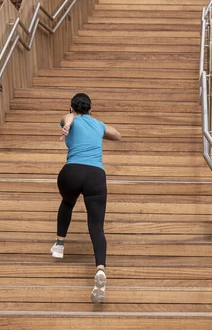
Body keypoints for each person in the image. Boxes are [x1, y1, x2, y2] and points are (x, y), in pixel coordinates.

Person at [50, 93, 122, 304]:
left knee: (68, 202)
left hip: (71, 173)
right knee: (96, 227)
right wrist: (99, 131)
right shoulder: (98, 124)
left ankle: (60, 244)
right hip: (95, 176)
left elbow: (69, 119)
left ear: (71, 108)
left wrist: (67, 125)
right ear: (92, 109)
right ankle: (100, 268)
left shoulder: (70, 118)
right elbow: (118, 135)